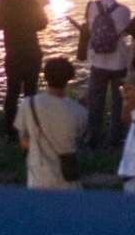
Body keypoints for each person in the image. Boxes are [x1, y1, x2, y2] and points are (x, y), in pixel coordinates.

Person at [77, 0, 132, 149]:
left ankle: (92, 138)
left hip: (97, 62)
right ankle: (114, 140)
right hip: (118, 63)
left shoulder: (91, 6)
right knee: (118, 102)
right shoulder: (124, 11)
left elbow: (89, 28)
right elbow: (123, 33)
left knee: (95, 102)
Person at [18, 56, 89, 191]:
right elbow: (78, 138)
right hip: (68, 180)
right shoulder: (80, 111)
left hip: (38, 177)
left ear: (45, 76)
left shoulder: (28, 104)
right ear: (69, 78)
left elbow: (24, 141)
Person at [0, 0, 47, 133]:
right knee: (31, 92)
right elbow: (42, 24)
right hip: (31, 49)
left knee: (12, 90)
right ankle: (31, 130)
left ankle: (10, 131)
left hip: (13, 51)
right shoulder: (29, 0)